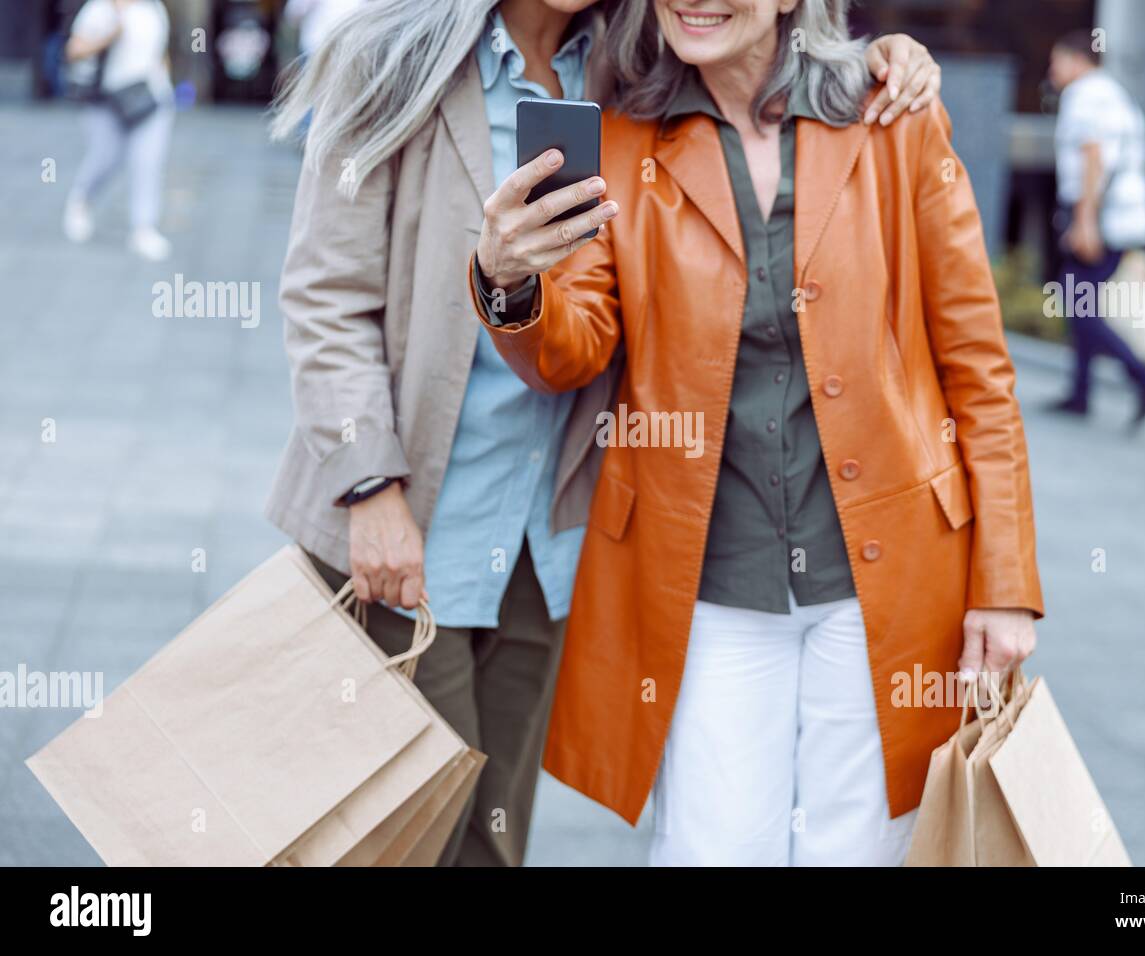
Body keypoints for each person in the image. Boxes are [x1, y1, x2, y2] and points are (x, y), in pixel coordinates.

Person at [266, 0, 941, 867]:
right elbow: (325, 297)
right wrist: (370, 489)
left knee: (493, 832)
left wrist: (878, 58)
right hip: (410, 521)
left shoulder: (633, 71)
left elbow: (770, 52)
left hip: (543, 543)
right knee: (402, 834)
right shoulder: (389, 57)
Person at [473, 0, 1042, 866]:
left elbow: (978, 369)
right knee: (712, 847)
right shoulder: (624, 140)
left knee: (857, 851)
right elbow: (573, 349)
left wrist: (1005, 582)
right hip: (704, 576)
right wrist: (508, 281)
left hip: (884, 575)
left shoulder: (894, 115)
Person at [1047, 28, 1145, 427]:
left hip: (1105, 219)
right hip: (1125, 215)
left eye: (1057, 60)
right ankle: (1080, 394)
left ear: (1079, 61)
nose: (1052, 69)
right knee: (1083, 300)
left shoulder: (1083, 96)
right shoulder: (1115, 94)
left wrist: (1084, 223)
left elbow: (1093, 156)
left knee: (1075, 301)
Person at [63, 0, 174, 261]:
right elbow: (74, 50)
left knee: (148, 162)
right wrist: (111, 35)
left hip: (149, 99)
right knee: (106, 158)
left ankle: (143, 228)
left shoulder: (154, 7)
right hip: (108, 101)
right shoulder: (100, 9)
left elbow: (160, 50)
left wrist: (164, 82)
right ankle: (81, 201)